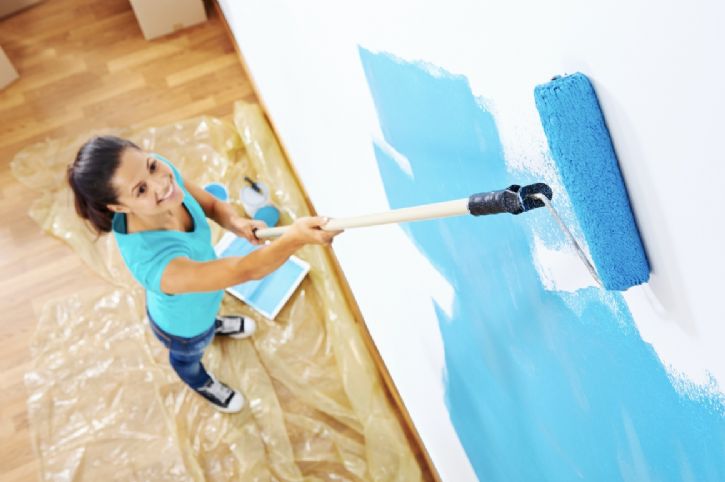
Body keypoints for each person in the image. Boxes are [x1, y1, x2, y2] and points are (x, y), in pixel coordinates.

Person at [67, 135, 342, 413]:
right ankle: (198, 380)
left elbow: (210, 204)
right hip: (183, 327)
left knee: (208, 317)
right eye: (140, 190)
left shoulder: (160, 173)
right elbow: (244, 270)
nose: (161, 183)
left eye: (151, 166)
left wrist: (236, 222)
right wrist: (295, 238)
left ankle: (214, 325)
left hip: (206, 299)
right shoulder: (155, 264)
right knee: (190, 353)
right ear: (118, 208)